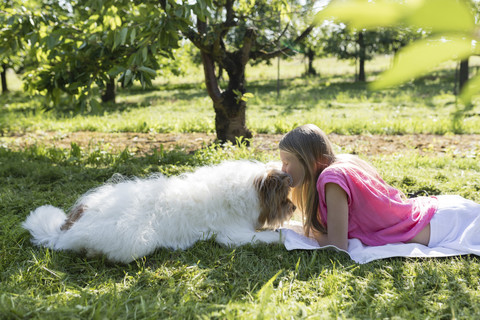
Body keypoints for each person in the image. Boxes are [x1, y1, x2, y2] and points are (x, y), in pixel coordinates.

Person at [279, 124, 480, 253]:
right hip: (442, 214)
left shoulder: (331, 179)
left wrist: (311, 231)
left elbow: (338, 247)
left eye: (287, 162)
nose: (283, 169)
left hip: (445, 226)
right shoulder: (339, 164)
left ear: (309, 160)